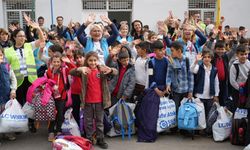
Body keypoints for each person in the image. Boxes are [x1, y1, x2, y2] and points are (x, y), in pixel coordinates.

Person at [70, 51, 117, 149]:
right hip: (87, 101)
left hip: (100, 101)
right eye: (90, 60)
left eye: (95, 60)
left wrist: (110, 70)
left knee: (99, 121)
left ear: (97, 61)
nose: (93, 63)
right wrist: (80, 68)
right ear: (86, 61)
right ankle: (89, 139)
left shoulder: (101, 70)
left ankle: (100, 139)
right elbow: (71, 72)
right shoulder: (84, 71)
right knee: (88, 122)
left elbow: (116, 72)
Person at [4, 19, 45, 133]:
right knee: (18, 102)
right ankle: (19, 124)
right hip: (17, 81)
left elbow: (42, 40)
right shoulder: (7, 51)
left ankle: (31, 123)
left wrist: (38, 28)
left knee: (31, 102)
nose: (22, 38)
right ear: (14, 37)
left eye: (23, 36)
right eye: (19, 36)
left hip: (31, 79)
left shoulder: (29, 46)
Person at [46, 52, 76, 141]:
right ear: (51, 62)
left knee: (60, 114)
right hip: (51, 96)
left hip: (62, 96)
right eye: (54, 62)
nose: (56, 64)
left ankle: (59, 130)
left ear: (61, 62)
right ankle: (51, 131)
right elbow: (46, 82)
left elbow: (74, 69)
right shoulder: (49, 71)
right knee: (52, 114)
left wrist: (68, 62)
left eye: (58, 62)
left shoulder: (64, 70)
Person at [190, 49, 219, 120]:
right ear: (202, 58)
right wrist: (196, 61)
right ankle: (198, 130)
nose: (207, 59)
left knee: (207, 114)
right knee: (199, 114)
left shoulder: (214, 69)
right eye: (205, 57)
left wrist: (216, 94)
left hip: (210, 96)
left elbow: (216, 82)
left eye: (209, 57)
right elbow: (192, 69)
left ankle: (205, 129)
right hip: (199, 95)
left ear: (211, 58)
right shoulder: (199, 67)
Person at [166, 41, 194, 114]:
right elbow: (169, 74)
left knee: (185, 110)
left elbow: (191, 77)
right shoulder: (171, 60)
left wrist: (190, 91)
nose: (171, 52)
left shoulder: (187, 60)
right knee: (175, 109)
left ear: (179, 51)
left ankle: (184, 124)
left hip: (185, 90)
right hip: (175, 91)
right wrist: (168, 84)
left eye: (172, 51)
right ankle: (176, 124)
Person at [0, 47, 17, 141]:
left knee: (7, 115)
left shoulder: (7, 65)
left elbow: (13, 78)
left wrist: (13, 90)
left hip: (6, 94)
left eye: (0, 55)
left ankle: (8, 132)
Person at [229, 45, 250, 113]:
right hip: (238, 90)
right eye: (241, 54)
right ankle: (237, 121)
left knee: (246, 107)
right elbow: (232, 81)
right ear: (237, 55)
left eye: (245, 54)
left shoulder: (249, 63)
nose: (244, 56)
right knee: (238, 107)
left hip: (247, 89)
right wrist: (239, 88)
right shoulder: (234, 66)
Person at [70, 50, 85, 127]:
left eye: (80, 57)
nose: (79, 59)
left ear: (84, 57)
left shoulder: (87, 67)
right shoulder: (75, 67)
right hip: (75, 92)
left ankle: (84, 127)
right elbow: (72, 71)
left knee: (85, 111)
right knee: (75, 111)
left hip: (84, 93)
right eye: (77, 58)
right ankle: (77, 127)